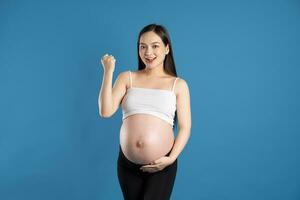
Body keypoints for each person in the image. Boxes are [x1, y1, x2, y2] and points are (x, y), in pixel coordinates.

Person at [98, 23, 191, 200]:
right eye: (143, 46)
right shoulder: (127, 78)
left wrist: (171, 158)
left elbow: (185, 127)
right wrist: (108, 72)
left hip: (162, 165)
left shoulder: (178, 85)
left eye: (155, 46)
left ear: (166, 49)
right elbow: (105, 111)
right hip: (127, 166)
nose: (148, 53)